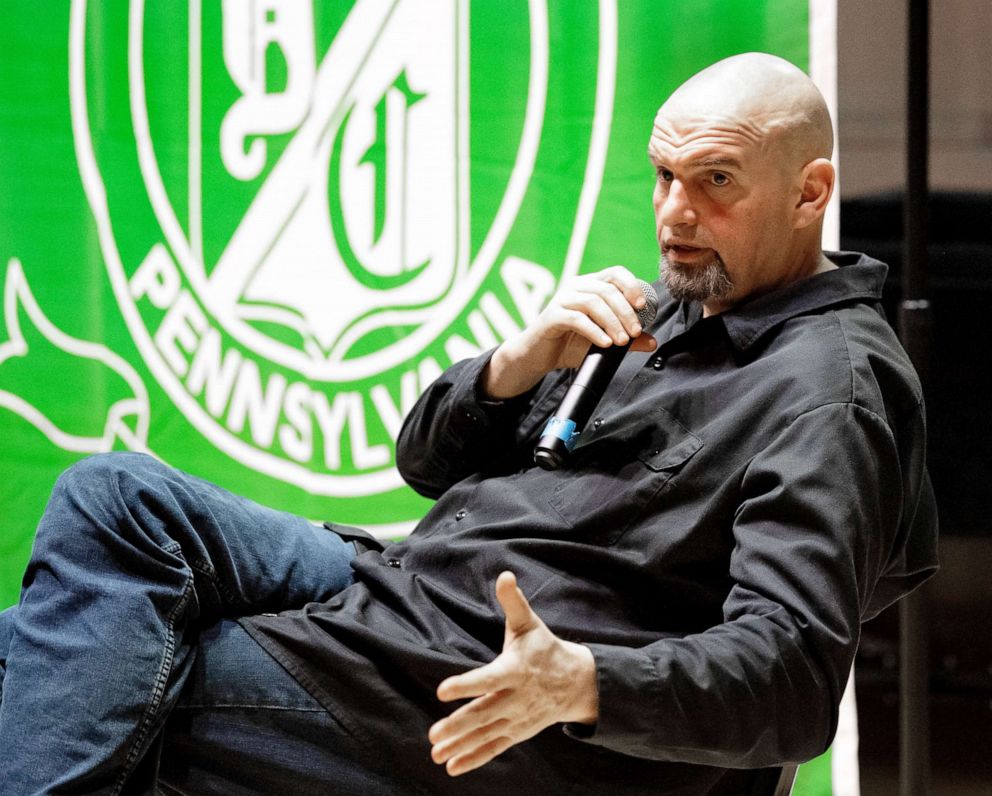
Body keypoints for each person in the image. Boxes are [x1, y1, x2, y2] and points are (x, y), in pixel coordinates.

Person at [0, 52, 937, 795]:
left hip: (463, 686)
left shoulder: (831, 391)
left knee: (56, 667)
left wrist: (581, 681)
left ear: (810, 193)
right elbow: (424, 462)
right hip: (401, 584)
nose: (673, 214)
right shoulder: (673, 306)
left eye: (715, 180)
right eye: (662, 175)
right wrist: (511, 367)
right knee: (112, 499)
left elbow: (794, 678)